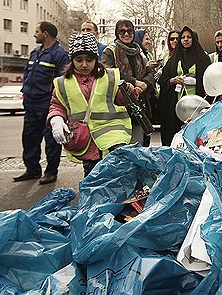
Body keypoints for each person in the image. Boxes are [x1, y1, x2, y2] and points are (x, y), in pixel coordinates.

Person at [47, 33, 132, 177]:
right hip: (86, 140)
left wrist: (129, 91)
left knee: (119, 174)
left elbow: (121, 100)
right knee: (92, 176)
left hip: (112, 136)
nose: (84, 64)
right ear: (72, 60)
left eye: (89, 59)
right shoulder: (62, 83)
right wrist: (56, 120)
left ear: (96, 59)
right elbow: (57, 105)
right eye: (79, 60)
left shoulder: (110, 77)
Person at [13, 21, 69, 184]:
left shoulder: (59, 55)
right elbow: (27, 73)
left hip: (47, 103)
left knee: (51, 140)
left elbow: (62, 80)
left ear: (45, 34)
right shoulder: (35, 52)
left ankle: (51, 172)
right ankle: (32, 170)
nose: (34, 34)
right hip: (30, 102)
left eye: (36, 31)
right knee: (29, 137)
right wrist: (25, 90)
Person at [101, 19, 155, 146]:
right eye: (122, 31)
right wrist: (134, 82)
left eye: (129, 31)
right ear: (116, 33)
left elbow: (150, 72)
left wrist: (144, 85)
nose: (126, 34)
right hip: (119, 107)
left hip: (140, 106)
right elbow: (109, 73)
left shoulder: (139, 52)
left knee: (142, 145)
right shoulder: (110, 51)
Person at [158, 26, 211, 146]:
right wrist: (172, 81)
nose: (185, 40)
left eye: (188, 37)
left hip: (197, 105)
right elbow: (163, 79)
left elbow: (209, 80)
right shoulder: (174, 59)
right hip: (177, 105)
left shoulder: (202, 58)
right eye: (183, 37)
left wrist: (196, 82)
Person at [134, 28, 162, 130]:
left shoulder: (148, 54)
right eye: (146, 39)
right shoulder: (136, 56)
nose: (149, 42)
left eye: (149, 39)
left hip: (148, 95)